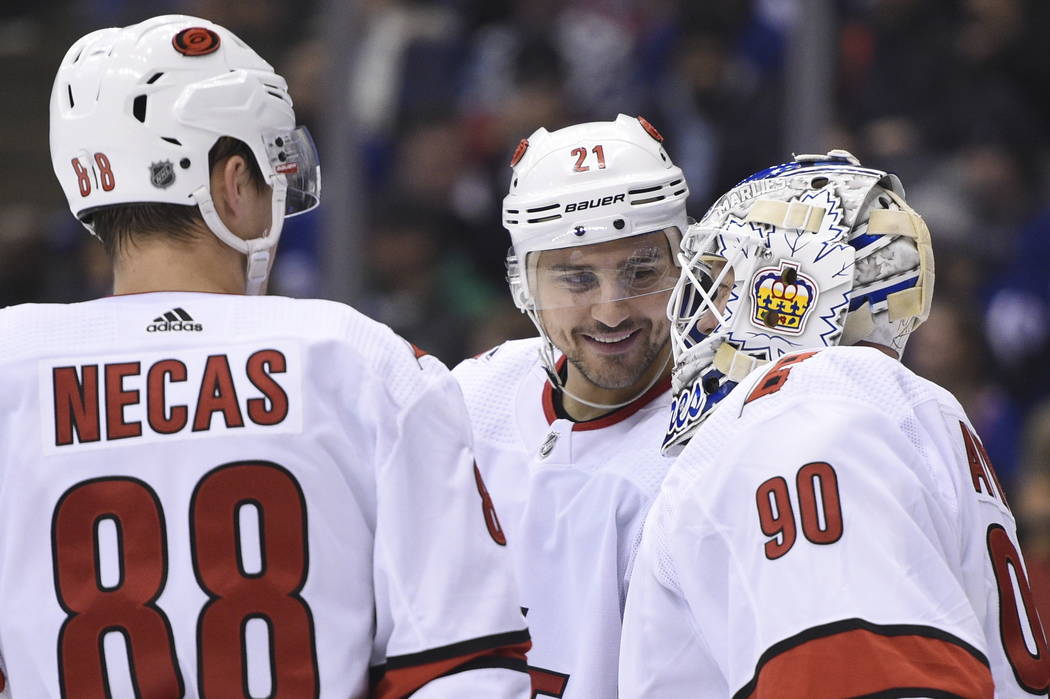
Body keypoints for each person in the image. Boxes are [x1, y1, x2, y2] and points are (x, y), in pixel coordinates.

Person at [0, 15, 530, 698]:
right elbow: (465, 668)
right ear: (230, 185)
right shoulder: (358, 359)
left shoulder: (11, 366)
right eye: (270, 168)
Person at [618, 150, 1050, 697]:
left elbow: (862, 679)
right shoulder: (898, 410)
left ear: (799, 282)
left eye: (726, 284)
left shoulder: (804, 415)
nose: (702, 316)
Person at [452, 114, 688, 697]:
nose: (611, 312)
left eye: (641, 271)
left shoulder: (721, 437)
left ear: (686, 265)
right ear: (525, 284)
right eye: (576, 280)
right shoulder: (469, 398)